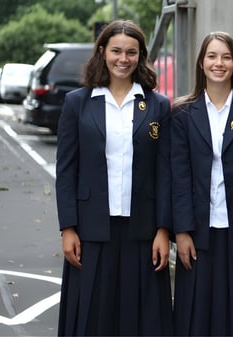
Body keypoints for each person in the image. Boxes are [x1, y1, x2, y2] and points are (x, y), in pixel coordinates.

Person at [56, 20, 173, 336]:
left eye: (132, 52)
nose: (124, 59)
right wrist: (68, 227)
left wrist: (164, 229)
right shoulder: (77, 102)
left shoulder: (158, 106)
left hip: (143, 231)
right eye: (117, 51)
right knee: (92, 317)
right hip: (91, 229)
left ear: (141, 56)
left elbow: (165, 173)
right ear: (102, 52)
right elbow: (66, 170)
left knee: (142, 319)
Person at [170, 31, 233, 336]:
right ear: (201, 63)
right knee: (195, 313)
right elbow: (180, 176)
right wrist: (182, 231)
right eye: (212, 56)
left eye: (226, 57)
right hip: (198, 231)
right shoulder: (183, 113)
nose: (218, 63)